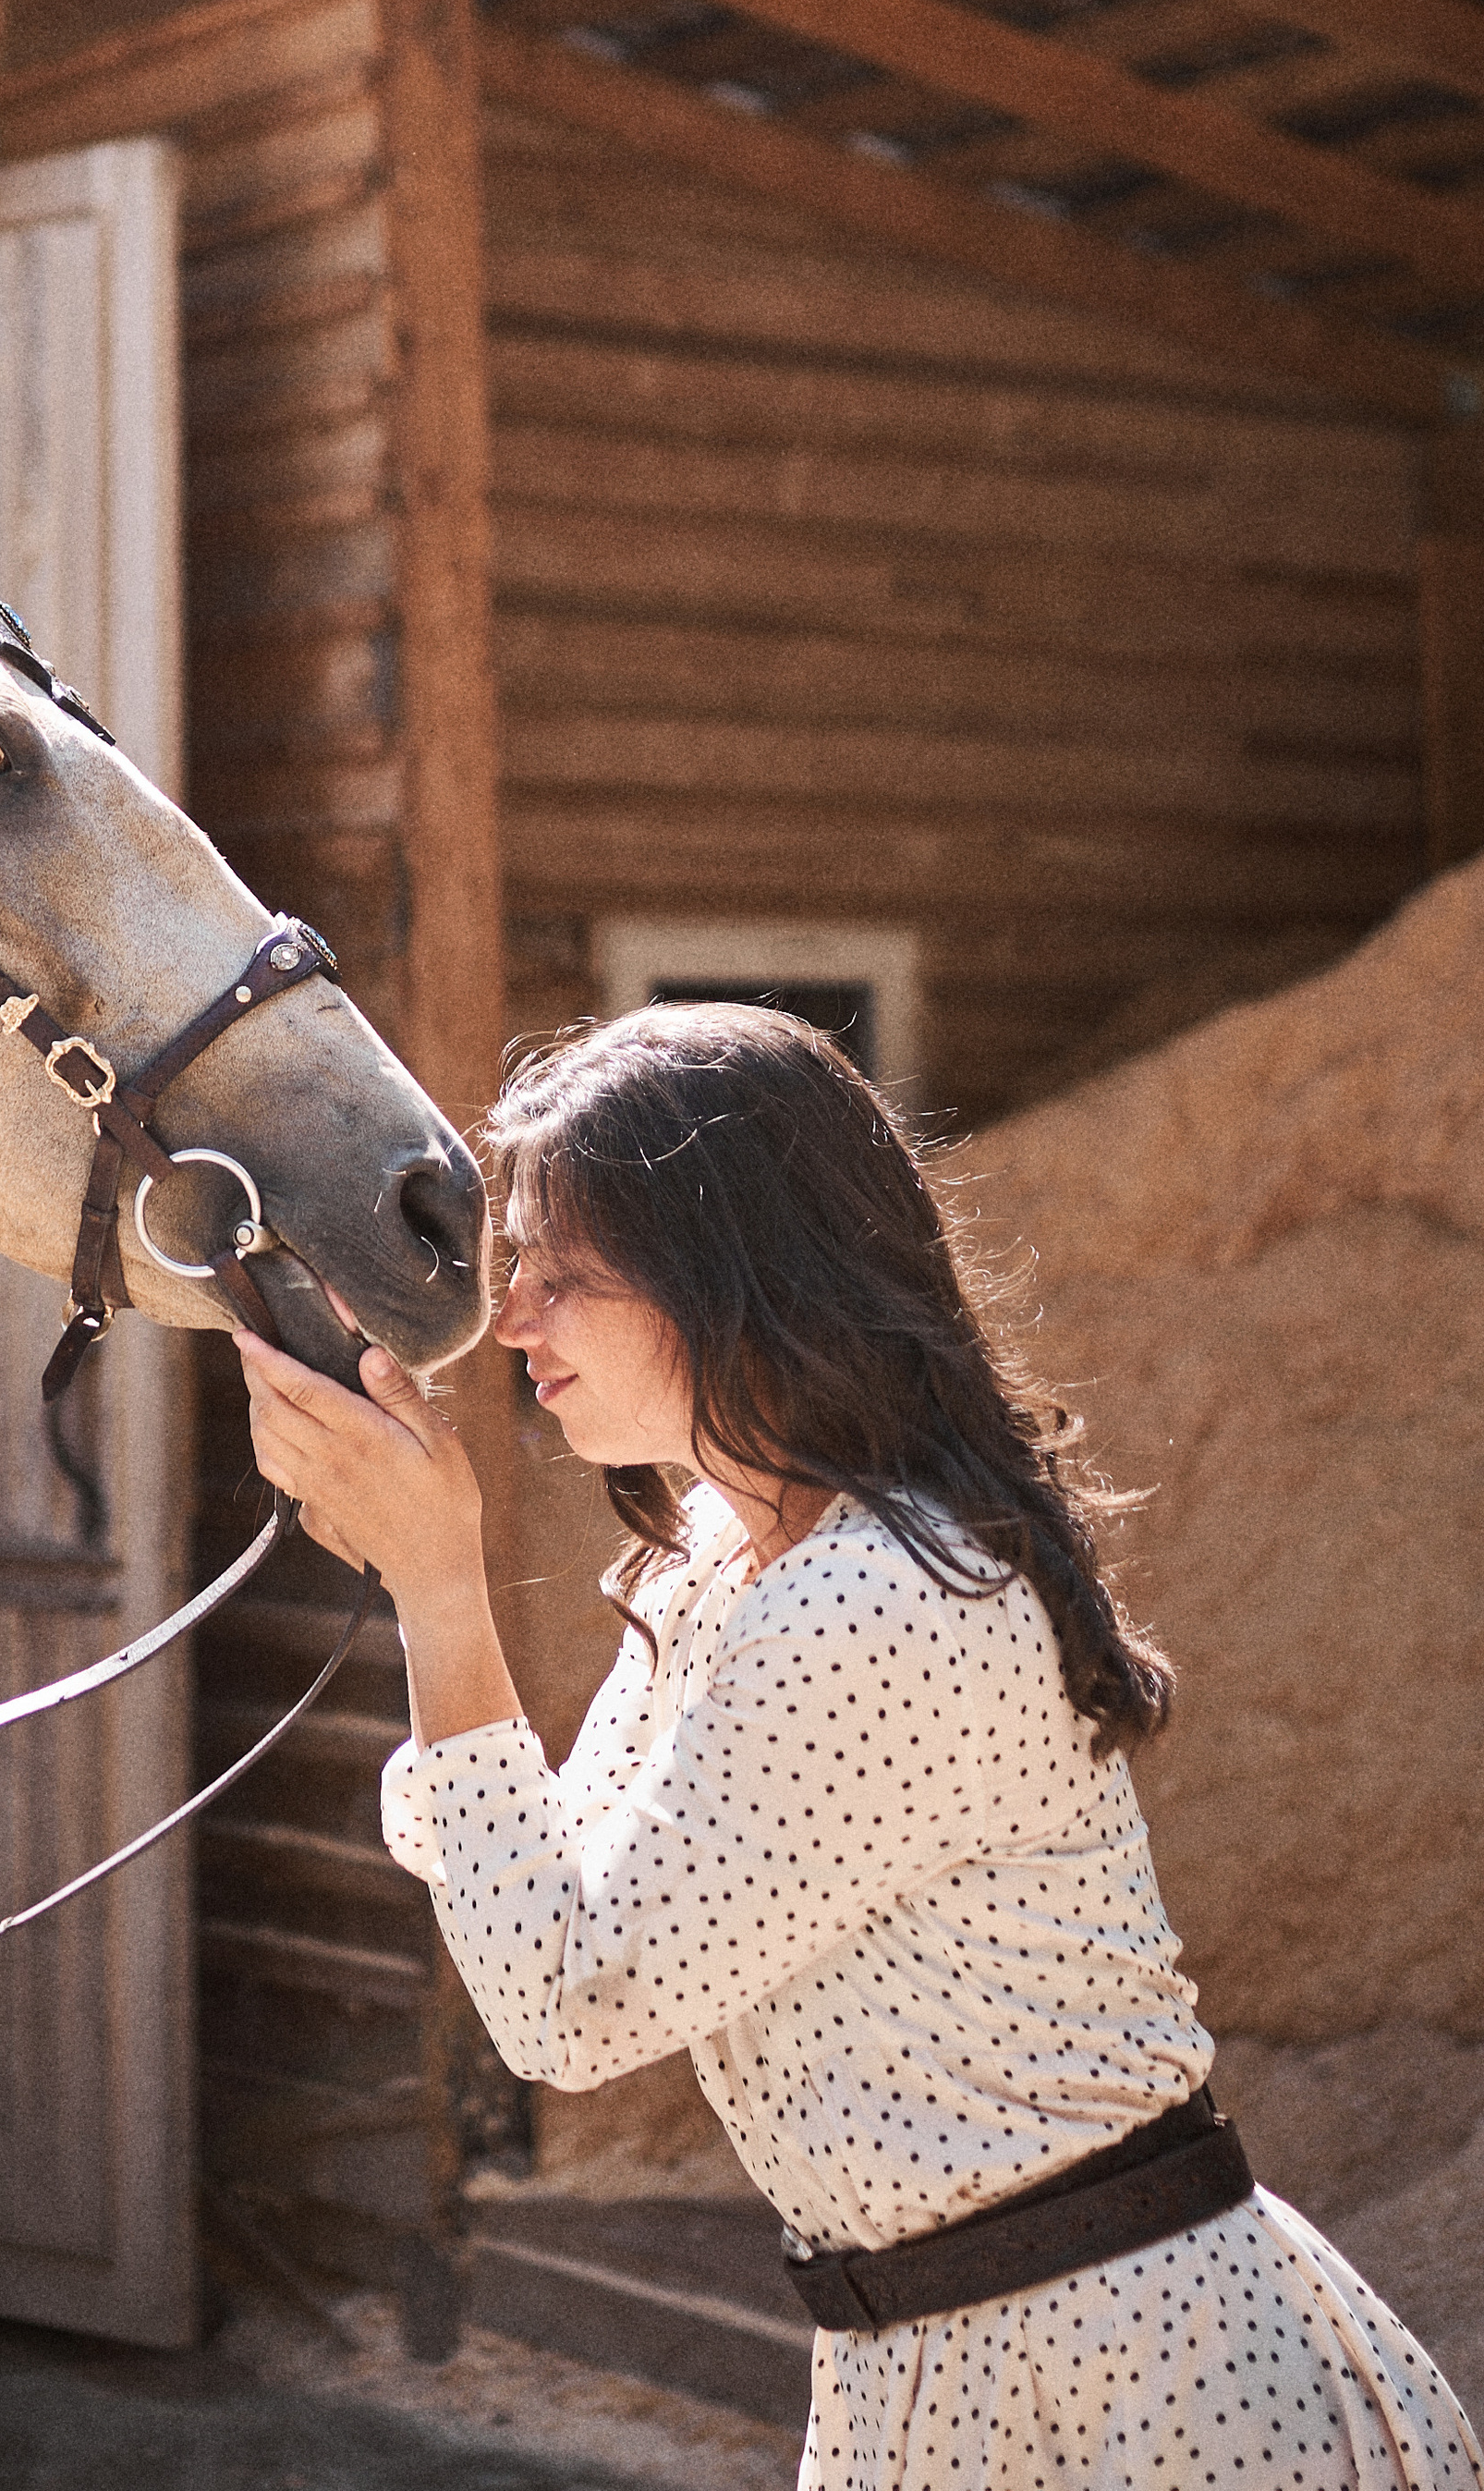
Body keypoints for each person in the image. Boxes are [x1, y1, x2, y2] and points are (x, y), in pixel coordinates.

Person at [235, 1001, 1483, 2491]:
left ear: (732, 1275)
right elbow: (542, 1886)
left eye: (562, 1274)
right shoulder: (716, 1557)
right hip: (940, 2362)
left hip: (1122, 2372)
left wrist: (438, 1585)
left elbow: (566, 2003)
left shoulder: (876, 1600)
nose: (511, 1319)